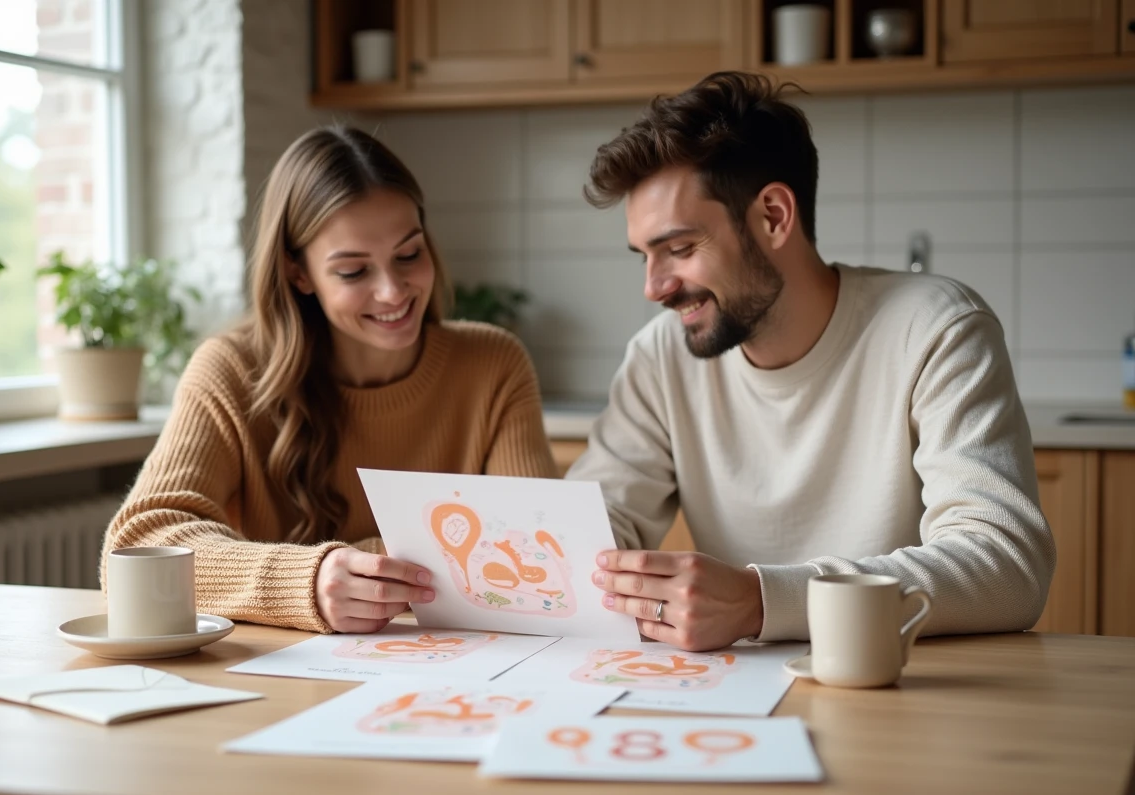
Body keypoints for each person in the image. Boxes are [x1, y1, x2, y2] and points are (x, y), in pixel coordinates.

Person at [571, 72, 1055, 651]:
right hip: (730, 693)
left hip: (901, 683)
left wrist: (760, 601)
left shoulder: (935, 329)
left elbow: (1005, 565)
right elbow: (593, 530)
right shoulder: (659, 357)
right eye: (644, 256)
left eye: (679, 249)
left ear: (774, 216)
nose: (654, 287)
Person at [103, 125, 557, 634]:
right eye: (353, 271)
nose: (393, 291)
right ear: (299, 273)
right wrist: (309, 581)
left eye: (409, 254)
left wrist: (368, 565)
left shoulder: (493, 363)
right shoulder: (231, 370)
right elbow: (137, 545)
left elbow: (533, 553)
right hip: (284, 679)